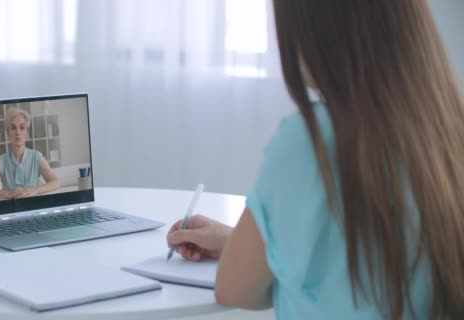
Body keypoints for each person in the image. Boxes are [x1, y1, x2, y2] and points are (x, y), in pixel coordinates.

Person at [167, 0, 464, 319]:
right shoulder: (447, 129)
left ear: (313, 32)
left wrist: (241, 256)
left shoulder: (310, 139)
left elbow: (234, 289)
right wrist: (235, 242)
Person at [0, 107, 59, 199]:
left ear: (27, 133)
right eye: (13, 128)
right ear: (8, 133)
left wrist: (34, 190)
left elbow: (56, 182)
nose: (17, 132)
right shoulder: (1, 161)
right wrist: (10, 194)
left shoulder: (36, 157)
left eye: (22, 127)